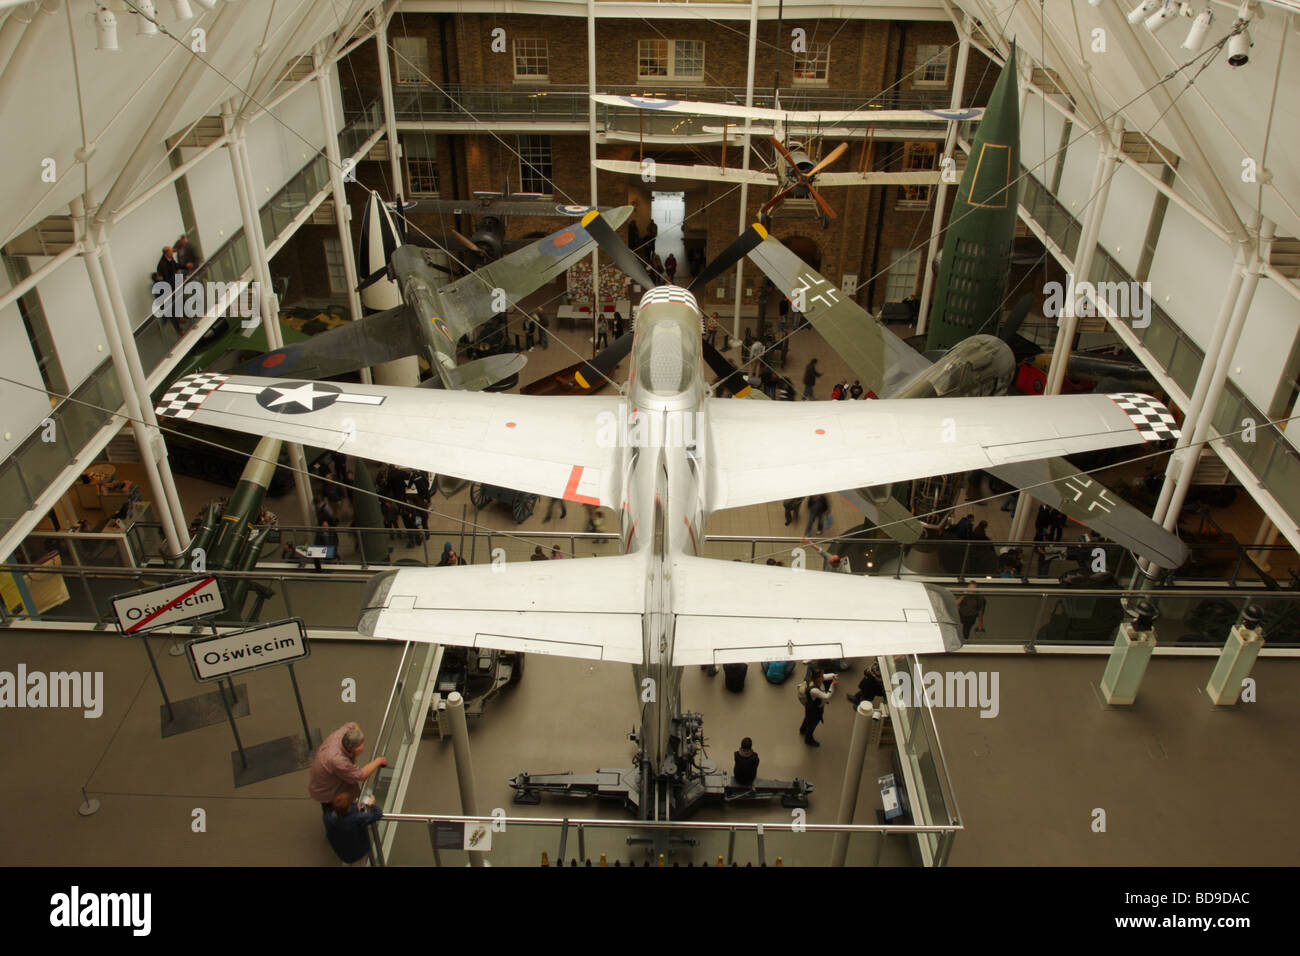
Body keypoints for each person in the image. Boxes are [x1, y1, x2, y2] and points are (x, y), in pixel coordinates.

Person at [308, 722, 387, 808]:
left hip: (332, 777)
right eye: (360, 745)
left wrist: (358, 734)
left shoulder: (343, 734)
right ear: (351, 748)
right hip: (327, 791)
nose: (362, 746)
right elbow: (361, 775)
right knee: (340, 809)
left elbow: (354, 725)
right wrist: (378, 761)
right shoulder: (338, 760)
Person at [323, 790, 383, 866]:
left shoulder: (328, 818)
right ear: (348, 808)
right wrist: (371, 804)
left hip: (343, 852)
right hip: (359, 851)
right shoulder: (356, 819)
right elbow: (377, 814)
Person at [799, 667, 835, 746]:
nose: (823, 677)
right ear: (817, 678)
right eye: (821, 676)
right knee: (812, 724)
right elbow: (826, 696)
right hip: (815, 710)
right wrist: (832, 685)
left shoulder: (811, 681)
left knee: (807, 719)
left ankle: (802, 729)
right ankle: (808, 739)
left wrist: (833, 676)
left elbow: (826, 676)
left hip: (809, 707)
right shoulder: (814, 690)